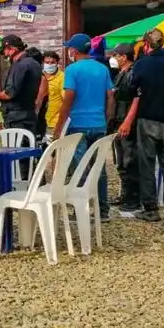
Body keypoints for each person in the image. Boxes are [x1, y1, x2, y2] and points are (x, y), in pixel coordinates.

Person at [118, 28, 164, 225]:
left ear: (146, 45)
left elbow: (131, 90)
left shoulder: (141, 64)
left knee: (147, 164)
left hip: (148, 119)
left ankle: (151, 209)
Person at [52, 33, 115, 222]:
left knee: (80, 168)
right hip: (99, 125)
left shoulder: (72, 70)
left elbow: (68, 98)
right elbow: (110, 96)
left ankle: (82, 209)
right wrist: (106, 118)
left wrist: (59, 126)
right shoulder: (102, 68)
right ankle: (103, 211)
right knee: (99, 168)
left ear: (74, 50)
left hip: (78, 125)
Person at [107, 42, 140, 213]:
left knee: (130, 160)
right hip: (118, 120)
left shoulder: (133, 73)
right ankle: (125, 193)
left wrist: (127, 121)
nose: (113, 58)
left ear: (124, 57)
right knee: (120, 160)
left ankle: (133, 198)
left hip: (128, 120)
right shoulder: (121, 73)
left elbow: (136, 98)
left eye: (116, 55)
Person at [0, 34, 41, 134]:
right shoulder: (34, 63)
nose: (5, 55)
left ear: (11, 49)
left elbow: (9, 94)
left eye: (4, 52)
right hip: (29, 114)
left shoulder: (20, 65)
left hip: (17, 118)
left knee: (16, 148)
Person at [36, 51, 64, 138]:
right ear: (42, 63)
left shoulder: (62, 77)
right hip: (39, 121)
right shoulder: (38, 76)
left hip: (54, 122)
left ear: (57, 63)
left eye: (52, 62)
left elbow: (65, 99)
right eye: (47, 62)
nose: (49, 64)